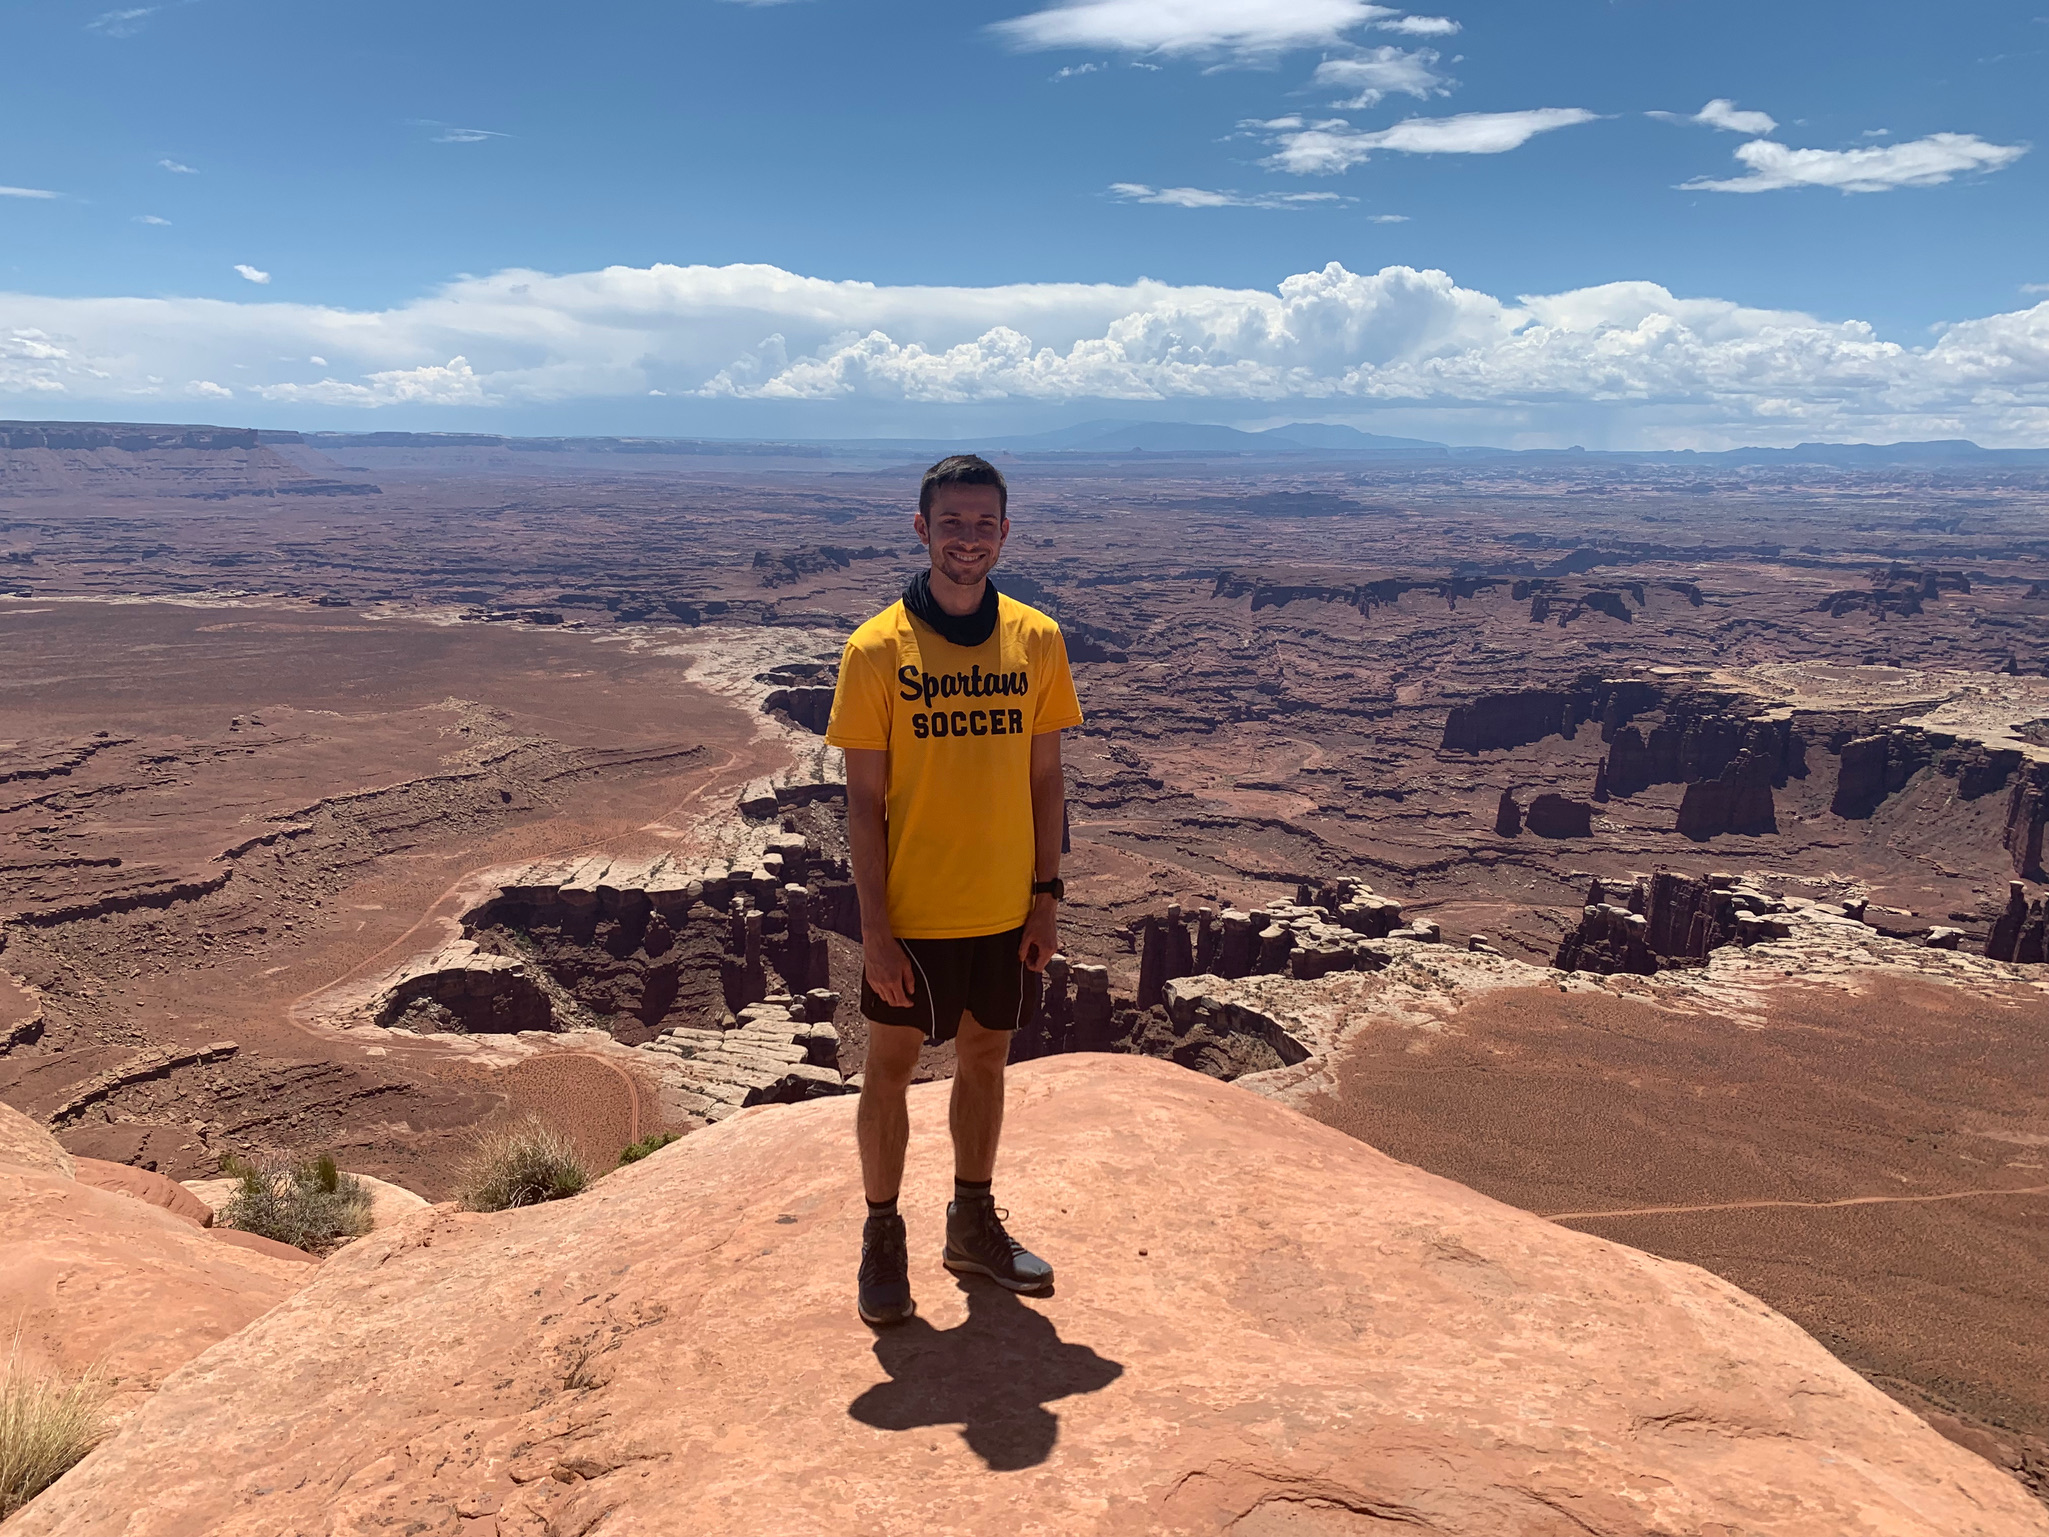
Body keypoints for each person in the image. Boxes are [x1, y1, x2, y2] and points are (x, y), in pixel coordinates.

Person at [823, 453, 1083, 1327]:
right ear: (921, 528)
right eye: (951, 521)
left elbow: (1046, 779)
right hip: (914, 908)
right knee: (889, 1068)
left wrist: (1045, 893)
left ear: (1004, 533)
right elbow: (861, 802)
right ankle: (881, 1232)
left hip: (1003, 905)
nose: (966, 538)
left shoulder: (1037, 639)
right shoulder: (875, 648)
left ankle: (971, 1221)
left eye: (983, 523)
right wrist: (876, 928)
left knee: (984, 1058)